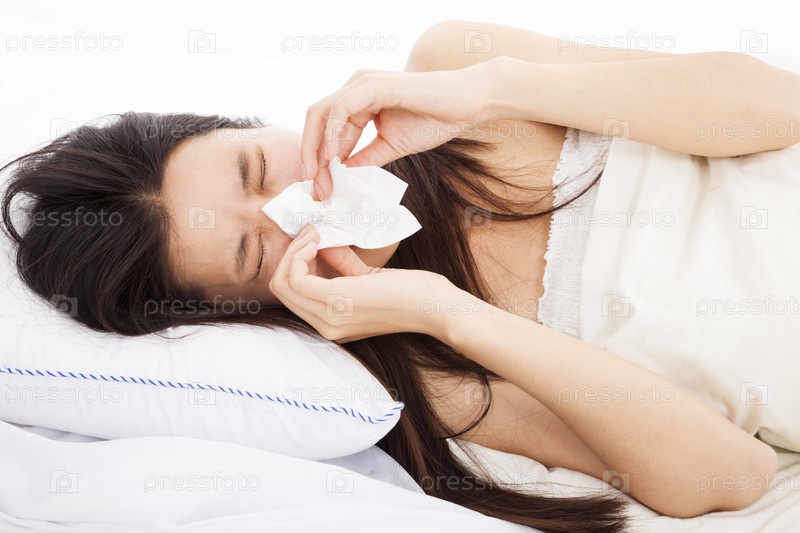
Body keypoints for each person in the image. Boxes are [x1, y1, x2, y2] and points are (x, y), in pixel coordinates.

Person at [3, 20, 796, 533]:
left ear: (252, 124)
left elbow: (782, 108)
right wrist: (449, 313)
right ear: (252, 307)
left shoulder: (456, 69)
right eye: (254, 251)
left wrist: (492, 87)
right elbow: (735, 474)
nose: (295, 209)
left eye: (257, 169)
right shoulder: (432, 369)